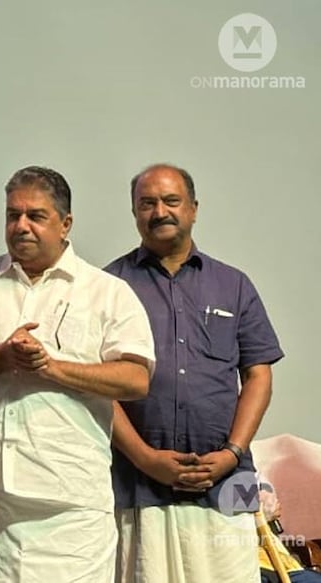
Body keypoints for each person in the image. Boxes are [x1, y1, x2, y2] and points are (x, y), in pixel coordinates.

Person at [0, 166, 155, 582]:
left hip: (74, 503)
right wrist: (1, 357)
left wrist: (51, 367)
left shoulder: (106, 291)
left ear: (65, 224)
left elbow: (136, 380)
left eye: (36, 215)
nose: (21, 226)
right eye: (13, 215)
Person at [107, 164, 284, 583]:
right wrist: (146, 459)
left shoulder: (234, 285)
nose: (159, 212)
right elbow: (98, 387)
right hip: (134, 483)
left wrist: (232, 454)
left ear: (193, 209)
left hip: (228, 480)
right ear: (134, 212)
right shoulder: (108, 285)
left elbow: (258, 375)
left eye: (171, 201)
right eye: (147, 203)